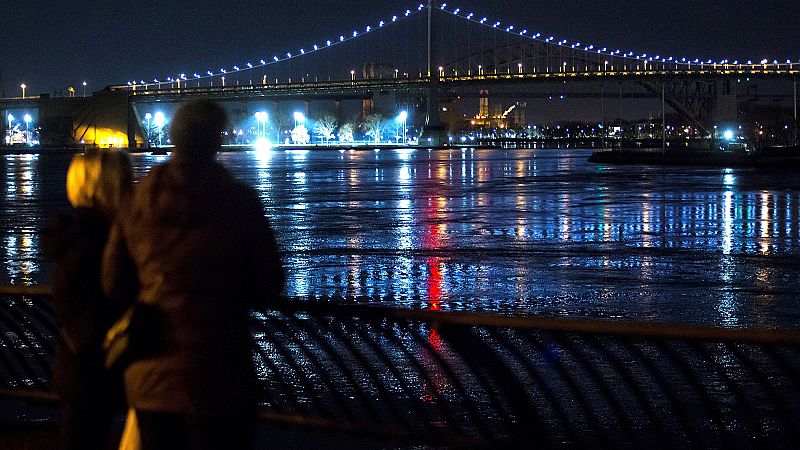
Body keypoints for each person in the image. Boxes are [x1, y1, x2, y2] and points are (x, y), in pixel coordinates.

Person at [102, 100, 285, 450]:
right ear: (217, 139)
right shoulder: (239, 201)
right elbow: (268, 284)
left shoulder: (136, 200)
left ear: (173, 137)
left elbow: (114, 283)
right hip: (221, 371)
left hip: (151, 373)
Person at [42, 149, 132, 450]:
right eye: (125, 180)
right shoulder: (99, 238)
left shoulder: (71, 234)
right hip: (97, 367)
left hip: (77, 364)